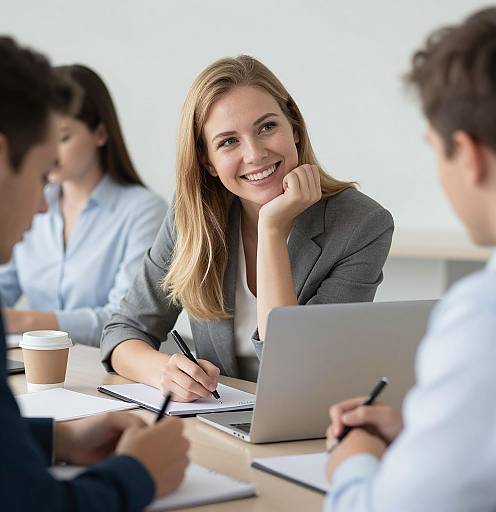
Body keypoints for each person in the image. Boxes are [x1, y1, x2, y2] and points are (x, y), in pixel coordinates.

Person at [101, 55, 394, 397]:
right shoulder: (193, 214)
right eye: (228, 141)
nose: (254, 154)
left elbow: (294, 367)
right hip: (217, 423)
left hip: (307, 425)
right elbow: (123, 330)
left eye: (267, 127)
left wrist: (271, 229)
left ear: (294, 129)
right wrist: (163, 372)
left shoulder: (361, 225)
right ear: (207, 162)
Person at [325, 6, 496, 511]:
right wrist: (427, 433)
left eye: (434, 148)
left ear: (467, 155)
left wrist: (354, 461)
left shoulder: (490, 314)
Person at [0, 36, 189, 511]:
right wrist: (135, 475)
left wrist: (57, 439)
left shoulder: (143, 210)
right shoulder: (44, 215)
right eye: (43, 173)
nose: (42, 204)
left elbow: (118, 318)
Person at [0, 64, 167, 346]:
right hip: (35, 364)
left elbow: (124, 320)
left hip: (101, 371)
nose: (52, 151)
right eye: (46, 138)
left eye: (63, 137)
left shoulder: (144, 211)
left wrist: (23, 321)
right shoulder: (33, 204)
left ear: (100, 134)